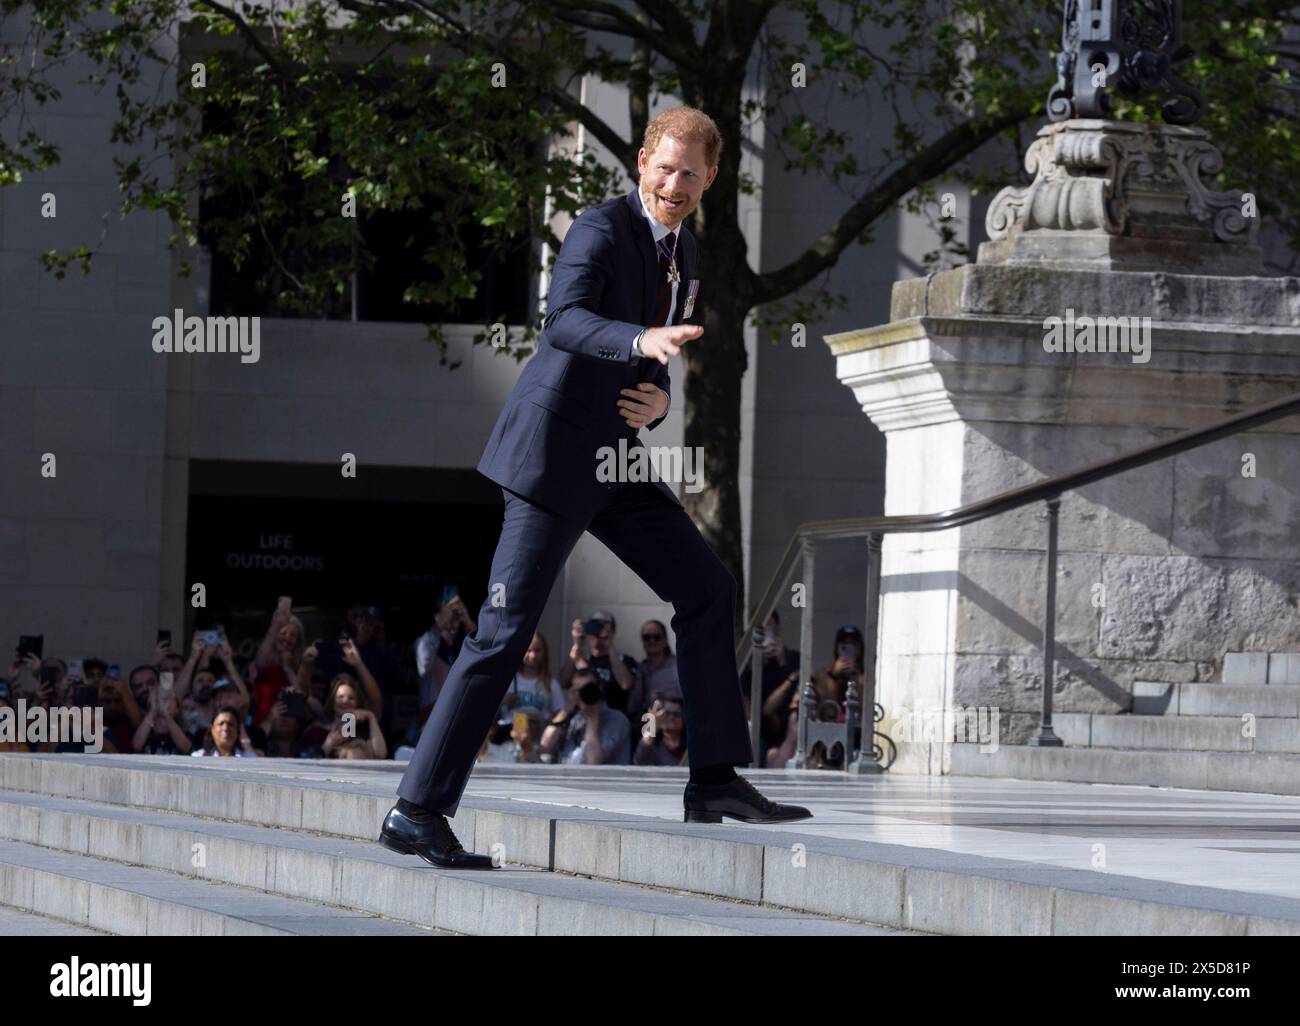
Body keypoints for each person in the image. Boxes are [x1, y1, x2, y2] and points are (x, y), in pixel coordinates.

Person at [384, 107, 810, 869]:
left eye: (691, 173)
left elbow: (658, 358)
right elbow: (565, 321)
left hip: (612, 463)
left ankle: (713, 778)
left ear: (711, 179)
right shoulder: (600, 228)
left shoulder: (692, 251)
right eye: (665, 167)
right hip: (550, 460)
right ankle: (416, 809)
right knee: (500, 635)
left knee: (708, 589)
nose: (675, 184)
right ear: (643, 161)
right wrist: (640, 342)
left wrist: (661, 397)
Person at [740, 610, 801, 765]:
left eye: (769, 625)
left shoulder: (794, 658)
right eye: (760, 627)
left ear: (777, 628)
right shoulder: (746, 666)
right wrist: (756, 662)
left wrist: (782, 662)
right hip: (759, 733)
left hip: (788, 729)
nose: (765, 630)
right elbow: (760, 708)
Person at [539, 666, 630, 765]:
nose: (581, 695)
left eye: (587, 690)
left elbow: (593, 762)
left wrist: (592, 718)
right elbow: (545, 746)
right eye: (576, 690)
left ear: (599, 690)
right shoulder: (574, 718)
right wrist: (566, 710)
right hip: (566, 778)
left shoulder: (617, 720)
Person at [633, 694, 688, 766]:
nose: (671, 717)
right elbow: (639, 761)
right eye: (667, 713)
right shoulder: (653, 744)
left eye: (676, 714)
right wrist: (652, 726)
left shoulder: (690, 746)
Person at [192, 708, 257, 758]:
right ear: (212, 729)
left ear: (238, 729)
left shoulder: (248, 758)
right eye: (221, 723)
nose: (226, 728)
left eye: (231, 724)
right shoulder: (198, 757)